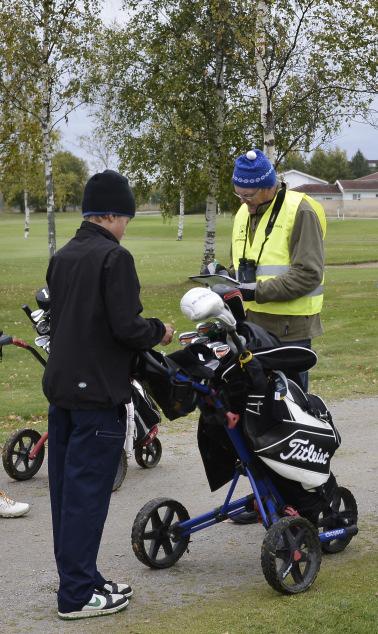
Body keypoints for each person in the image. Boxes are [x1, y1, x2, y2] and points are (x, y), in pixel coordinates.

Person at [42, 169, 174, 620]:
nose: (125, 228)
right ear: (114, 215)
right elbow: (127, 328)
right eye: (126, 219)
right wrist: (161, 330)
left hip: (61, 393)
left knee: (67, 496)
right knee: (87, 498)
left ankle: (83, 577)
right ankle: (76, 595)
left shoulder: (62, 257)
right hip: (98, 396)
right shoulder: (114, 259)